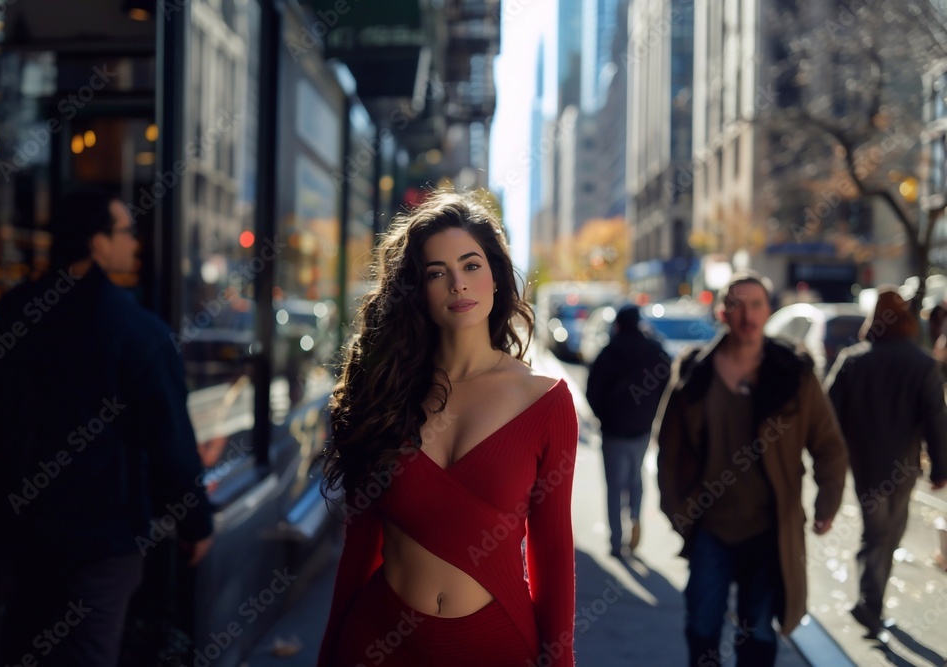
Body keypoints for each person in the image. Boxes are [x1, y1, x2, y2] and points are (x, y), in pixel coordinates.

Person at [317, 192, 578, 667]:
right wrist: (330, 652)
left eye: (471, 265)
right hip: (379, 642)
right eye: (437, 272)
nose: (458, 284)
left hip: (495, 646)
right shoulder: (384, 391)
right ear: (418, 290)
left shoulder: (546, 402)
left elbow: (554, 553)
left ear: (496, 276)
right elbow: (359, 546)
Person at [0, 189, 214, 667]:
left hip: (21, 534)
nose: (135, 243)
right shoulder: (135, 330)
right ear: (97, 243)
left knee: (20, 646)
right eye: (125, 232)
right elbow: (170, 441)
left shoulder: (17, 311)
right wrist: (194, 520)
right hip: (102, 541)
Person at [654, 271, 847, 667]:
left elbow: (828, 445)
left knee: (757, 633)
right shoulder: (696, 373)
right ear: (722, 313)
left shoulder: (793, 372)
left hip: (769, 528)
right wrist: (677, 511)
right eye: (737, 305)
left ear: (768, 310)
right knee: (702, 625)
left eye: (756, 304)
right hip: (711, 526)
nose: (747, 315)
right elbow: (668, 450)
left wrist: (828, 502)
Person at [824, 287, 947, 638]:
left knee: (878, 533)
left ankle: (870, 603)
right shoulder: (922, 363)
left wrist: (834, 461)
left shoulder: (853, 360)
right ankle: (870, 604)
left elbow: (828, 417)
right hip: (905, 466)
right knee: (887, 534)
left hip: (866, 466)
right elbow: (936, 419)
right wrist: (940, 467)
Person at [585, 304, 669, 557]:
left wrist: (605, 415)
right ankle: (634, 516)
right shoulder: (654, 351)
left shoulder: (608, 352)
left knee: (614, 486)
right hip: (642, 429)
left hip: (612, 431)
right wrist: (651, 412)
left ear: (618, 324)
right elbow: (667, 381)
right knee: (635, 477)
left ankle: (615, 541)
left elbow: (592, 392)